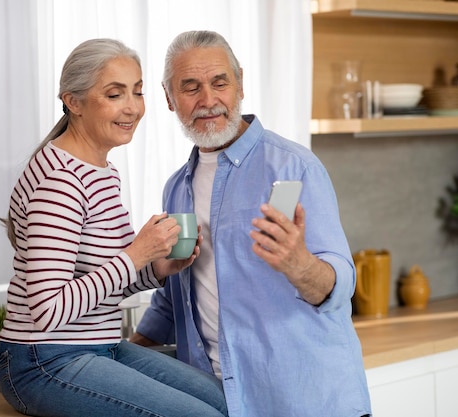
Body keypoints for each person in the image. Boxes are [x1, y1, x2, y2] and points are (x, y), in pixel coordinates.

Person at [130, 30, 372, 417]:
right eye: (190, 87)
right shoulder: (176, 189)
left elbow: (339, 284)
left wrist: (300, 265)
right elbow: (175, 298)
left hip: (306, 400)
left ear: (239, 82)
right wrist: (119, 355)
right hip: (221, 400)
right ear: (169, 98)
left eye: (219, 83)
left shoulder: (294, 168)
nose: (208, 101)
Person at [0, 38, 228, 417]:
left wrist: (156, 267)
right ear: (73, 101)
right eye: (115, 94)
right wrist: (136, 254)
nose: (133, 107)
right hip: (42, 360)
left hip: (99, 345)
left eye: (137, 91)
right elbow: (47, 309)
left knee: (224, 401)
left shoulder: (103, 172)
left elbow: (103, 279)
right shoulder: (60, 181)